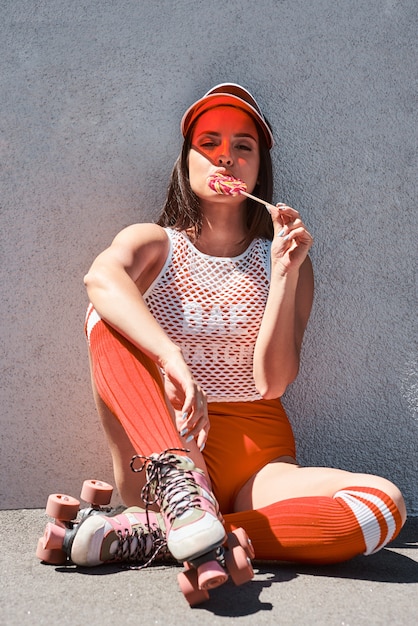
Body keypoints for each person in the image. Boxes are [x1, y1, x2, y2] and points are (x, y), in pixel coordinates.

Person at [82, 83, 406, 567]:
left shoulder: (285, 259)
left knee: (383, 507)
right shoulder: (154, 242)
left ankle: (163, 536)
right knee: (106, 317)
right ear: (186, 160)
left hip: (259, 459)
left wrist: (282, 275)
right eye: (208, 143)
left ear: (259, 168)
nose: (225, 157)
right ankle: (182, 499)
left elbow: (271, 383)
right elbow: (100, 278)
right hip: (170, 446)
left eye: (242, 146)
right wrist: (171, 358)